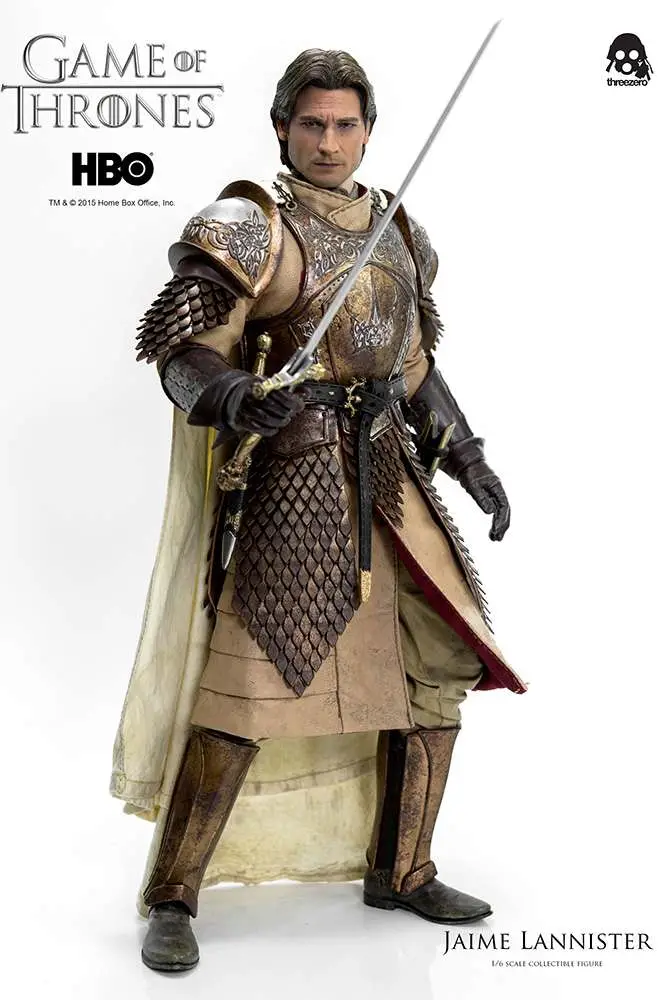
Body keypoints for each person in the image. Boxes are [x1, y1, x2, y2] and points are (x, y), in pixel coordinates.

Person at [112, 48, 526, 973]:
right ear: (282, 128)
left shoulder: (398, 232)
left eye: (345, 125)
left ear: (368, 131)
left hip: (388, 474)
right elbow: (181, 351)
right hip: (293, 476)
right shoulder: (249, 224)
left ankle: (403, 868)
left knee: (438, 659)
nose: (329, 142)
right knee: (247, 683)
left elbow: (411, 369)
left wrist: (468, 458)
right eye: (312, 124)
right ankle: (174, 894)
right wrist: (232, 395)